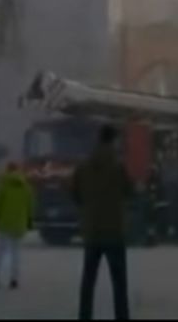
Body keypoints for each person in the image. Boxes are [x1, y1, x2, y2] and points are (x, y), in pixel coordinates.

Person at [72, 124, 135, 320]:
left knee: (88, 280)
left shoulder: (83, 167)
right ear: (113, 140)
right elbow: (129, 191)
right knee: (119, 282)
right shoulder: (118, 167)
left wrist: (89, 208)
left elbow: (75, 194)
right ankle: (122, 316)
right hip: (114, 232)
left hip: (92, 231)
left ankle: (84, 316)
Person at [0, 160, 35, 290]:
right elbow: (31, 207)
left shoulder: (3, 184)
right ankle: (14, 279)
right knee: (16, 252)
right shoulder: (26, 187)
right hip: (19, 224)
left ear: (7, 170)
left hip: (3, 223)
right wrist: (28, 222)